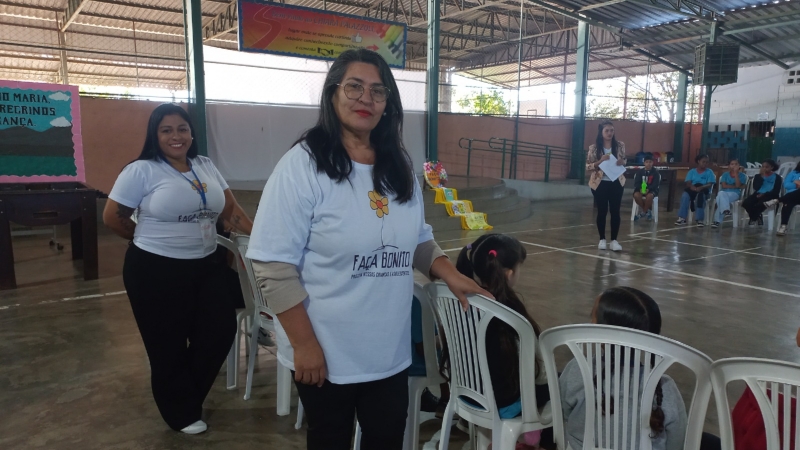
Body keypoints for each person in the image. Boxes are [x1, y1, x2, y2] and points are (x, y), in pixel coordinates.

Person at [244, 49, 489, 450]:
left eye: (378, 91)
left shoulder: (398, 165)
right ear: (333, 94)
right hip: (325, 349)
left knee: (386, 437)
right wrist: (304, 345)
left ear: (388, 103)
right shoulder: (301, 166)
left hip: (387, 349)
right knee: (331, 439)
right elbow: (272, 265)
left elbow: (418, 237)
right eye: (354, 87)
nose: (366, 99)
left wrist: (451, 273)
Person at [102, 103, 254, 434]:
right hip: (155, 268)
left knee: (219, 330)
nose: (176, 136)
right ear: (155, 135)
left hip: (207, 264)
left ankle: (184, 395)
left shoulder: (205, 165)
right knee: (166, 343)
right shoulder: (141, 170)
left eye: (182, 129)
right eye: (166, 130)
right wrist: (144, 241)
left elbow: (231, 210)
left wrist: (259, 237)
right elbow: (113, 216)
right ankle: (181, 413)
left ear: (191, 133)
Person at [559, 287, 687, 450]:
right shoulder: (665, 388)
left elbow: (563, 413)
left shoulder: (578, 369)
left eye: (593, 318)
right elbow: (677, 442)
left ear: (603, 332)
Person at [455, 234, 550, 449]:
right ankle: (532, 436)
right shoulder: (510, 312)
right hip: (503, 403)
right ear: (509, 273)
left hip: (467, 395)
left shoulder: (461, 301)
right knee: (558, 381)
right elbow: (537, 370)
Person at [586, 120, 627, 252]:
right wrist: (600, 161)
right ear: (601, 132)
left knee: (615, 211)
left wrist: (622, 161)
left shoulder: (620, 145)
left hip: (616, 182)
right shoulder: (594, 148)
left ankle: (614, 240)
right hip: (600, 183)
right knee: (602, 211)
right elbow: (588, 166)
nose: (610, 133)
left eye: (612, 130)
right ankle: (602, 239)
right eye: (607, 131)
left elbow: (624, 160)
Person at [675, 154, 715, 227]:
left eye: (707, 162)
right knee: (685, 196)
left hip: (704, 191)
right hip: (693, 189)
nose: (705, 164)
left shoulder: (709, 172)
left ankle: (699, 219)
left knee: (700, 197)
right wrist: (692, 187)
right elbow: (688, 182)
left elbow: (710, 184)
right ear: (698, 161)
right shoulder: (692, 171)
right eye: (703, 162)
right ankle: (682, 218)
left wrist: (701, 187)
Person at [741, 159, 783, 226]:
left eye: (767, 167)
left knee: (760, 204)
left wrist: (764, 194)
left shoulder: (777, 177)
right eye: (763, 167)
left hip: (770, 195)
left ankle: (753, 218)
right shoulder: (758, 176)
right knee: (746, 203)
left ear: (771, 167)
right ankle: (757, 216)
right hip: (758, 193)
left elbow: (776, 191)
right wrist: (761, 177)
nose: (764, 168)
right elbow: (756, 187)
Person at [711, 158, 747, 229]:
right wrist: (735, 186)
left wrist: (736, 174)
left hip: (735, 193)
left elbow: (737, 185)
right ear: (729, 166)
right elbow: (724, 186)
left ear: (739, 166)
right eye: (732, 164)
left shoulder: (742, 176)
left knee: (720, 197)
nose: (734, 166)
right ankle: (726, 211)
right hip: (724, 192)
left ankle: (717, 220)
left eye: (736, 164)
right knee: (721, 194)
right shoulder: (725, 174)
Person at [632, 155, 661, 222]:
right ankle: (647, 211)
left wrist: (648, 189)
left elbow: (655, 184)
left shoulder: (655, 173)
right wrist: (640, 189)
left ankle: (643, 213)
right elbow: (636, 183)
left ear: (652, 163)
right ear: (644, 163)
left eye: (650, 162)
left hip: (652, 190)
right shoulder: (640, 172)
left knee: (649, 196)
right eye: (647, 162)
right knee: (636, 195)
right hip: (640, 189)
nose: (648, 164)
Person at [776, 163, 800, 236]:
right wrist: (796, 185)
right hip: (792, 197)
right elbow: (786, 185)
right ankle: (783, 226)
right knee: (787, 203)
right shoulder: (793, 173)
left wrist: (796, 183)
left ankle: (778, 200)